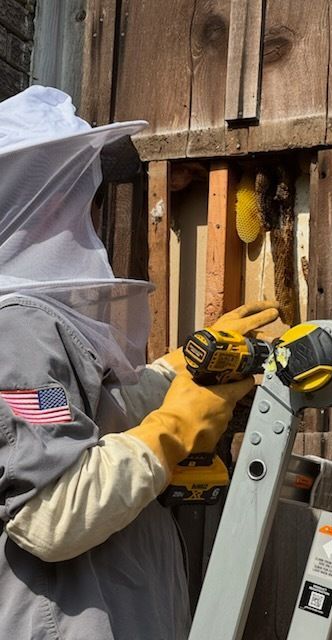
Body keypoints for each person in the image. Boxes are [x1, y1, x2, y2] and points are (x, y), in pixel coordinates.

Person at [0, 86, 279, 639]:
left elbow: (70, 421)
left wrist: (181, 369)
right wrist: (173, 429)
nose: (95, 204)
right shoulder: (17, 331)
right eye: (87, 187)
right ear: (54, 195)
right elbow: (51, 514)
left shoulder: (31, 324)